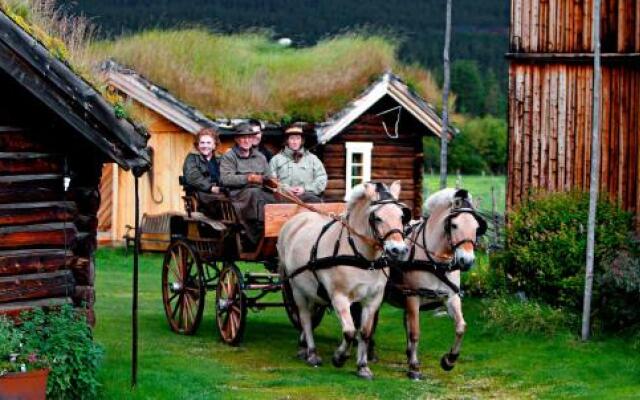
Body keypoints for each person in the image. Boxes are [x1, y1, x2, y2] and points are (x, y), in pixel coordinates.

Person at [220, 122, 278, 247]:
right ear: (237, 139)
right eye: (243, 137)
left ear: (253, 139)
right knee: (255, 193)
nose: (246, 140)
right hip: (238, 196)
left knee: (276, 197)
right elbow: (225, 179)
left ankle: (275, 230)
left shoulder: (260, 157)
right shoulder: (229, 157)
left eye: (249, 137)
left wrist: (273, 182)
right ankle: (256, 235)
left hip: (259, 194)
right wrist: (248, 178)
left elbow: (267, 177)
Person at [269, 123, 327, 203]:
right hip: (283, 199)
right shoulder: (276, 160)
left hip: (307, 199)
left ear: (302, 141)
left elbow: (321, 179)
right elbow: (271, 181)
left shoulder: (313, 159)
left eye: (297, 138)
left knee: (314, 200)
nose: (295, 142)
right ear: (287, 141)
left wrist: (305, 189)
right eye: (292, 138)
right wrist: (287, 189)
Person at [182, 127, 223, 217]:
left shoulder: (220, 158)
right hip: (201, 193)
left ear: (214, 145)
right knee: (222, 201)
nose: (205, 146)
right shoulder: (192, 157)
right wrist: (210, 187)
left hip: (219, 190)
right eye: (202, 143)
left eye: (208, 143)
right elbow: (192, 176)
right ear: (197, 145)